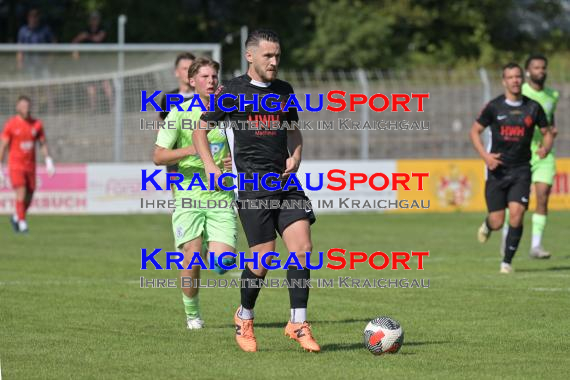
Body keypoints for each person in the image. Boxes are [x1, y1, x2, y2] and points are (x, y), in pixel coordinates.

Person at [193, 29, 320, 352]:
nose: (274, 61)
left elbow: (294, 132)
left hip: (286, 183)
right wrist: (210, 166)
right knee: (263, 258)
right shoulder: (232, 90)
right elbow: (200, 131)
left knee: (302, 248)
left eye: (277, 55)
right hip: (251, 187)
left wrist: (296, 156)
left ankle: (298, 322)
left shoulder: (284, 90)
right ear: (250, 56)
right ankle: (244, 317)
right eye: (268, 56)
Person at [153, 57, 236, 330]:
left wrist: (230, 162)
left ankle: (218, 257)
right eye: (204, 77)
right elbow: (159, 156)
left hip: (221, 195)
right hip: (188, 194)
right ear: (192, 81)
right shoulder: (179, 112)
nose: (210, 81)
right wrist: (192, 150)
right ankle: (192, 315)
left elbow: (243, 147)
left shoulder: (229, 111)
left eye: (214, 77)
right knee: (191, 256)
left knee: (223, 262)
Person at [470, 62, 553, 274]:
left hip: (521, 169)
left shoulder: (533, 107)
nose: (515, 80)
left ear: (521, 79)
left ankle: (506, 262)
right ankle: (488, 225)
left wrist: (545, 147)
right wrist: (485, 157)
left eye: (518, 77)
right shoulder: (494, 107)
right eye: (511, 77)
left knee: (517, 214)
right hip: (497, 170)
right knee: (498, 221)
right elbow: (474, 132)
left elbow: (547, 132)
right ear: (504, 81)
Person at [500, 54, 559, 259]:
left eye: (543, 68)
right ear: (527, 72)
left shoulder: (553, 95)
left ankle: (536, 245)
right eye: (536, 68)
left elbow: (549, 121)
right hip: (520, 152)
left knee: (542, 196)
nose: (540, 71)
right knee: (515, 203)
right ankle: (506, 237)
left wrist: (551, 134)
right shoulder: (520, 92)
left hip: (544, 152)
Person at [0, 96, 55, 233]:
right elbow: (3, 146)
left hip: (30, 166)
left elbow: (42, 143)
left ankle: (16, 217)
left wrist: (48, 159)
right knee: (21, 191)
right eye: (23, 106)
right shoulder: (11, 124)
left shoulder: (36, 124)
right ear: (17, 107)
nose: (26, 108)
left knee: (30, 195)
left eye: (27, 106)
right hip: (15, 165)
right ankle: (22, 223)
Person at [158, 53, 196, 191]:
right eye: (185, 68)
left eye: (192, 68)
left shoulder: (205, 98)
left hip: (199, 154)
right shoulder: (168, 98)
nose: (188, 72)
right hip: (176, 156)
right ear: (176, 72)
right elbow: (162, 125)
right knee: (179, 198)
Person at [71, 11, 113, 112]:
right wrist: (75, 51)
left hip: (101, 62)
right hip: (89, 63)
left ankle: (112, 107)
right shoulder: (85, 30)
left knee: (105, 83)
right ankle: (93, 108)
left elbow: (98, 39)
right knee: (91, 86)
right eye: (92, 19)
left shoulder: (102, 29)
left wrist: (86, 36)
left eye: (96, 19)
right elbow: (74, 41)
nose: (94, 21)